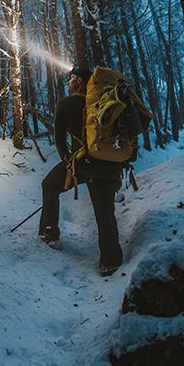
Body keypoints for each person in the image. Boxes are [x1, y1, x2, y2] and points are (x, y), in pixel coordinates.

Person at [38, 65, 124, 277]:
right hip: (110, 165)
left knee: (49, 185)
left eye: (71, 78)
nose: (68, 82)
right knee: (105, 213)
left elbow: (59, 142)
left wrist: (69, 162)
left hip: (83, 164)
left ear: (79, 81)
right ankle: (110, 262)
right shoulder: (108, 103)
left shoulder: (67, 104)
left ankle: (49, 235)